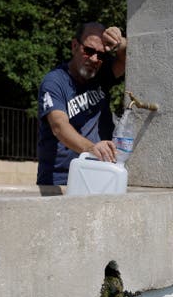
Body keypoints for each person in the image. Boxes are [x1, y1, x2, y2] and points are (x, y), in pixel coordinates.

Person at [36, 22, 127, 185]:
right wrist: (92, 149)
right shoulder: (54, 81)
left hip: (99, 174)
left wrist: (120, 43)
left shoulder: (102, 74)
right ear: (75, 46)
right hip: (61, 180)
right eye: (89, 51)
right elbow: (59, 126)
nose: (94, 59)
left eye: (100, 55)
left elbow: (129, 58)